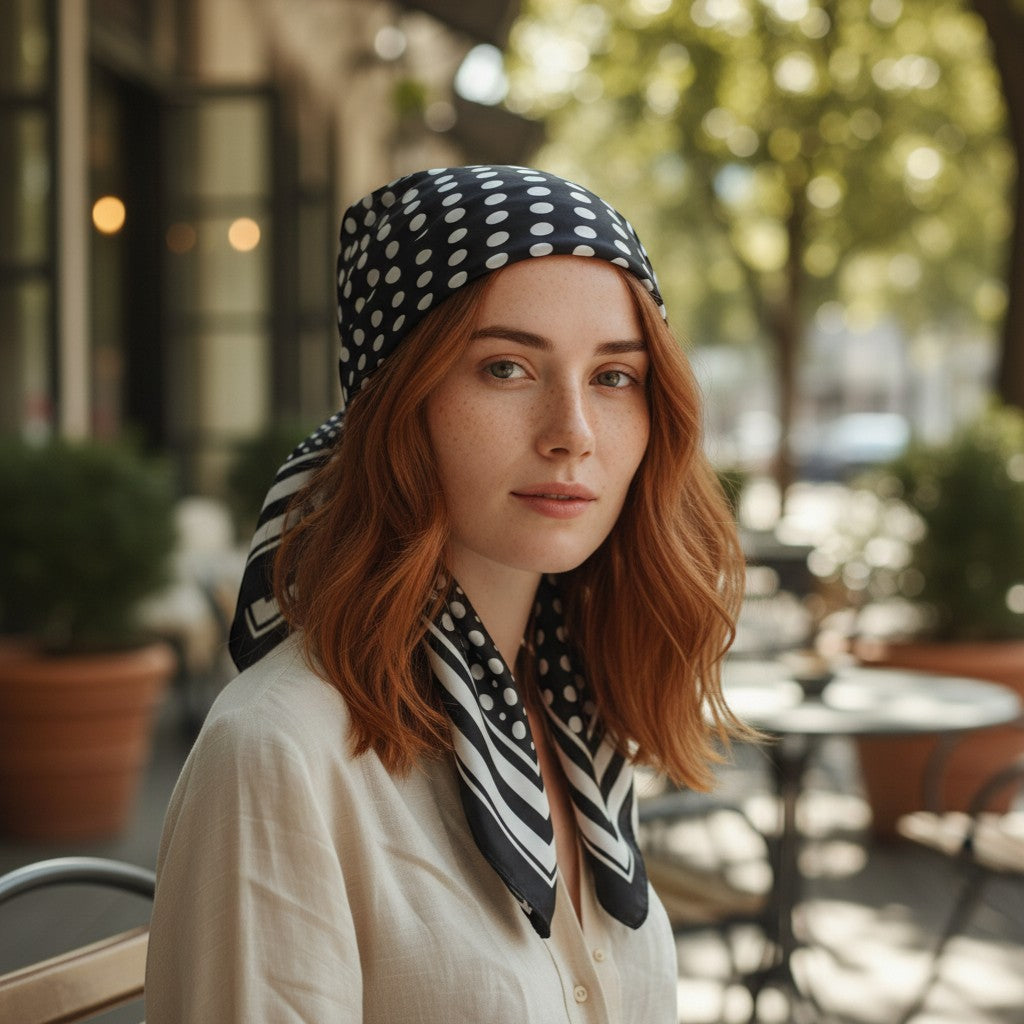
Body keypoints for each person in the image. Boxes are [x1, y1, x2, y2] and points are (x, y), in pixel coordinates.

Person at [145, 164, 749, 1023]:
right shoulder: (280, 756)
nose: (572, 433)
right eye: (506, 368)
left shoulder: (576, 708)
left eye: (615, 376)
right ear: (398, 403)